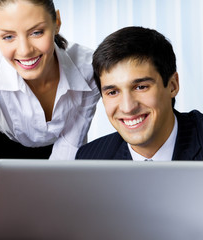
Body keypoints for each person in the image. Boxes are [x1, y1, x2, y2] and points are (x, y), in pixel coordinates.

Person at [0, 0, 100, 206]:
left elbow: (69, 145)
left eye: (36, 32)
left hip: (62, 155)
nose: (24, 50)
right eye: (8, 36)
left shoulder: (88, 67)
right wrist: (3, 202)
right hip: (1, 157)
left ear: (56, 22)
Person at [76, 26, 203, 160]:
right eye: (113, 92)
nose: (128, 108)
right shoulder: (90, 158)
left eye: (141, 87)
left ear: (173, 86)